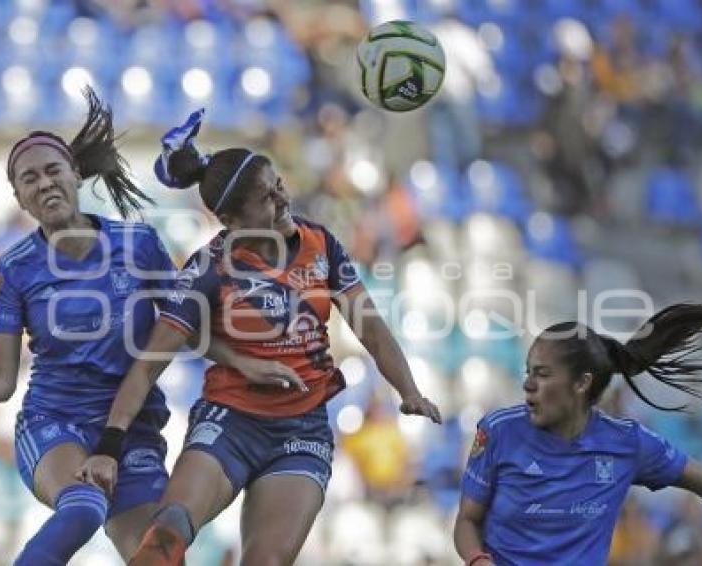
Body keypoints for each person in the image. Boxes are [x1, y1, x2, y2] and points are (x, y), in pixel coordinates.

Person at [0, 91, 296, 565]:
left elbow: (185, 329)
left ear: (76, 174)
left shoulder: (139, 245)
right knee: (83, 505)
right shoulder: (15, 268)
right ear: (19, 197)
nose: (44, 183)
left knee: (158, 557)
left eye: (53, 170)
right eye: (29, 178)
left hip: (134, 430)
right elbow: (1, 383)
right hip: (55, 423)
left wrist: (246, 361)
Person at [77, 109, 442, 565]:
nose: (282, 200)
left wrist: (408, 390)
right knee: (166, 534)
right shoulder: (209, 267)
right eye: (264, 199)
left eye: (278, 187)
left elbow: (371, 327)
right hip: (229, 422)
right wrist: (109, 446)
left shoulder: (321, 245)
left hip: (301, 430)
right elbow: (150, 363)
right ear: (231, 218)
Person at [454, 302, 702, 566]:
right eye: (528, 371)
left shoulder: (627, 443)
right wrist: (478, 560)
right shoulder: (498, 431)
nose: (528, 385)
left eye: (543, 374)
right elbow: (467, 520)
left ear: (581, 383)